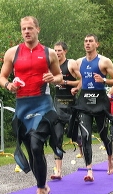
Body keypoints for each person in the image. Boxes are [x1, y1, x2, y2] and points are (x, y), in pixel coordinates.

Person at [0, 16, 63, 194]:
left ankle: (40, 189)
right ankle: (42, 184)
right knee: (31, 150)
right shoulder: (12, 53)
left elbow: (59, 77)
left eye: (30, 28)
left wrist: (53, 78)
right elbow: (2, 77)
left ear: (37, 30)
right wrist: (8, 85)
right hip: (23, 107)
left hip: (42, 104)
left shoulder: (49, 53)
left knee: (36, 146)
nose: (26, 32)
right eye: (23, 29)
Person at [70, 34, 113, 182]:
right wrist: (77, 88)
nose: (87, 43)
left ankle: (110, 158)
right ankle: (89, 170)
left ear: (97, 44)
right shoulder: (79, 62)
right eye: (85, 41)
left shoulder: (104, 61)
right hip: (85, 102)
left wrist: (104, 80)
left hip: (100, 102)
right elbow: (82, 78)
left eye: (91, 41)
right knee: (85, 136)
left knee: (104, 135)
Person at [51, 41, 82, 180]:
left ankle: (81, 146)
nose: (57, 53)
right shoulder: (52, 65)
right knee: (57, 137)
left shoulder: (71, 64)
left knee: (76, 136)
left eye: (59, 51)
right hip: (58, 104)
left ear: (65, 51)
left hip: (71, 104)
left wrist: (70, 84)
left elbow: (82, 80)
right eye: (55, 50)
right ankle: (58, 171)